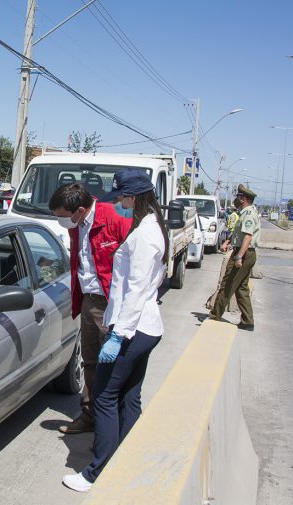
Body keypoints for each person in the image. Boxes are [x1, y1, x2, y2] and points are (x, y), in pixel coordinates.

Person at [62, 169, 168, 493]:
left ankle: (97, 471)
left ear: (133, 197)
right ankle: (127, 458)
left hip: (134, 330)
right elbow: (154, 282)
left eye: (121, 197)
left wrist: (118, 335)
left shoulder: (144, 235)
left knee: (106, 397)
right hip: (145, 327)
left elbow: (136, 290)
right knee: (129, 397)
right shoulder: (151, 228)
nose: (118, 202)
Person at [49, 182, 131, 436]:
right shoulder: (78, 224)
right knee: (91, 361)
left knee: (111, 365)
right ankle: (90, 415)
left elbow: (137, 260)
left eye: (62, 217)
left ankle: (113, 423)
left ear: (80, 210)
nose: (60, 222)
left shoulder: (115, 218)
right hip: (88, 299)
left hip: (111, 302)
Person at [208, 184, 261, 331]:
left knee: (228, 284)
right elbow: (239, 233)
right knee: (241, 288)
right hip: (244, 252)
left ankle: (215, 315)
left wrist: (239, 257)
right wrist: (227, 241)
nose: (236, 199)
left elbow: (248, 237)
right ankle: (247, 321)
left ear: (243, 199)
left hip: (244, 253)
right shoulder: (244, 212)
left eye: (238, 197)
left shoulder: (249, 214)